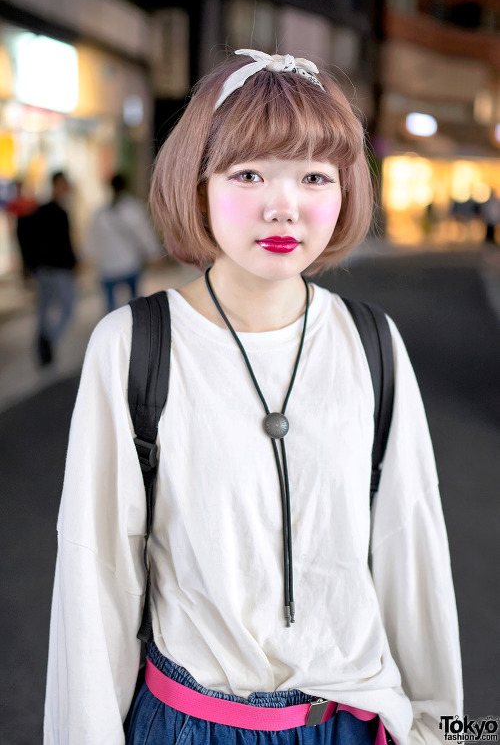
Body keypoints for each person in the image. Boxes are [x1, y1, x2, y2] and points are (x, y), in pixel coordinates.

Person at [44, 49, 462, 745]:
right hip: (193, 724)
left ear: (345, 190)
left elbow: (411, 550)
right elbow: (96, 575)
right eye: (248, 173)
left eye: (314, 177)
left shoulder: (371, 342)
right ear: (198, 184)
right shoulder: (134, 345)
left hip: (351, 725)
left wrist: (443, 729)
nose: (284, 205)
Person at [83, 173, 163, 313]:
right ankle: (134, 329)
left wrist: (86, 258)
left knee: (109, 308)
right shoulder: (133, 209)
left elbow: (92, 239)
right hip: (129, 264)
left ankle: (110, 331)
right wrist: (154, 253)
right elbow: (144, 233)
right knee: (134, 305)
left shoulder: (101, 212)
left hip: (107, 267)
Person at [31, 171, 77, 366]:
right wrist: (73, 263)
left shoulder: (42, 210)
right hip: (57, 268)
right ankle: (48, 343)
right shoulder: (58, 212)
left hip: (43, 268)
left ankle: (44, 345)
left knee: (44, 309)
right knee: (67, 307)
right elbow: (64, 244)